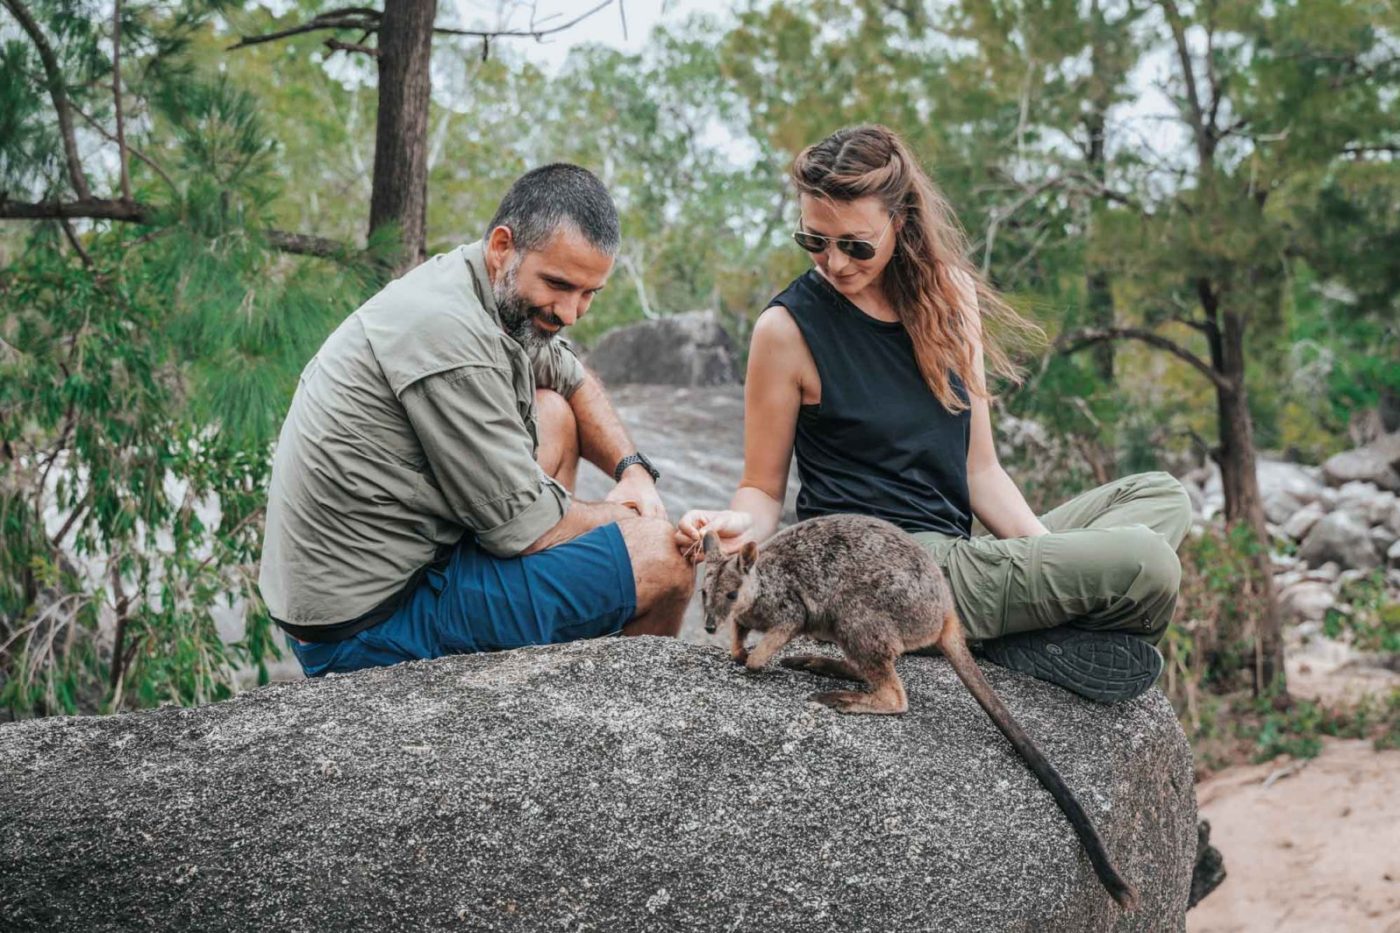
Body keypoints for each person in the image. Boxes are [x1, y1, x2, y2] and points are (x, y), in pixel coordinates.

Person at [675, 125, 1192, 703]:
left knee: (1164, 496)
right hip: (881, 575)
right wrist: (736, 522)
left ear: (901, 221)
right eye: (814, 241)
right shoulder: (787, 330)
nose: (834, 263)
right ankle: (1015, 630)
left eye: (856, 244)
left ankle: (1033, 633)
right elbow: (762, 488)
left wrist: (1046, 561)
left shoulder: (950, 297)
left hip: (956, 558)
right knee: (1148, 562)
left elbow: (980, 471)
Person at [260, 163, 694, 677]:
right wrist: (628, 518)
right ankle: (620, 726)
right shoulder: (447, 334)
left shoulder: (481, 285)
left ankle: (552, 643)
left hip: (402, 567)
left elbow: (570, 375)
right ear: (502, 247)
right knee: (665, 559)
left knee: (553, 413)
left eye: (588, 293)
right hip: (368, 626)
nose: (572, 312)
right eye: (559, 284)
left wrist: (633, 471)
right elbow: (527, 530)